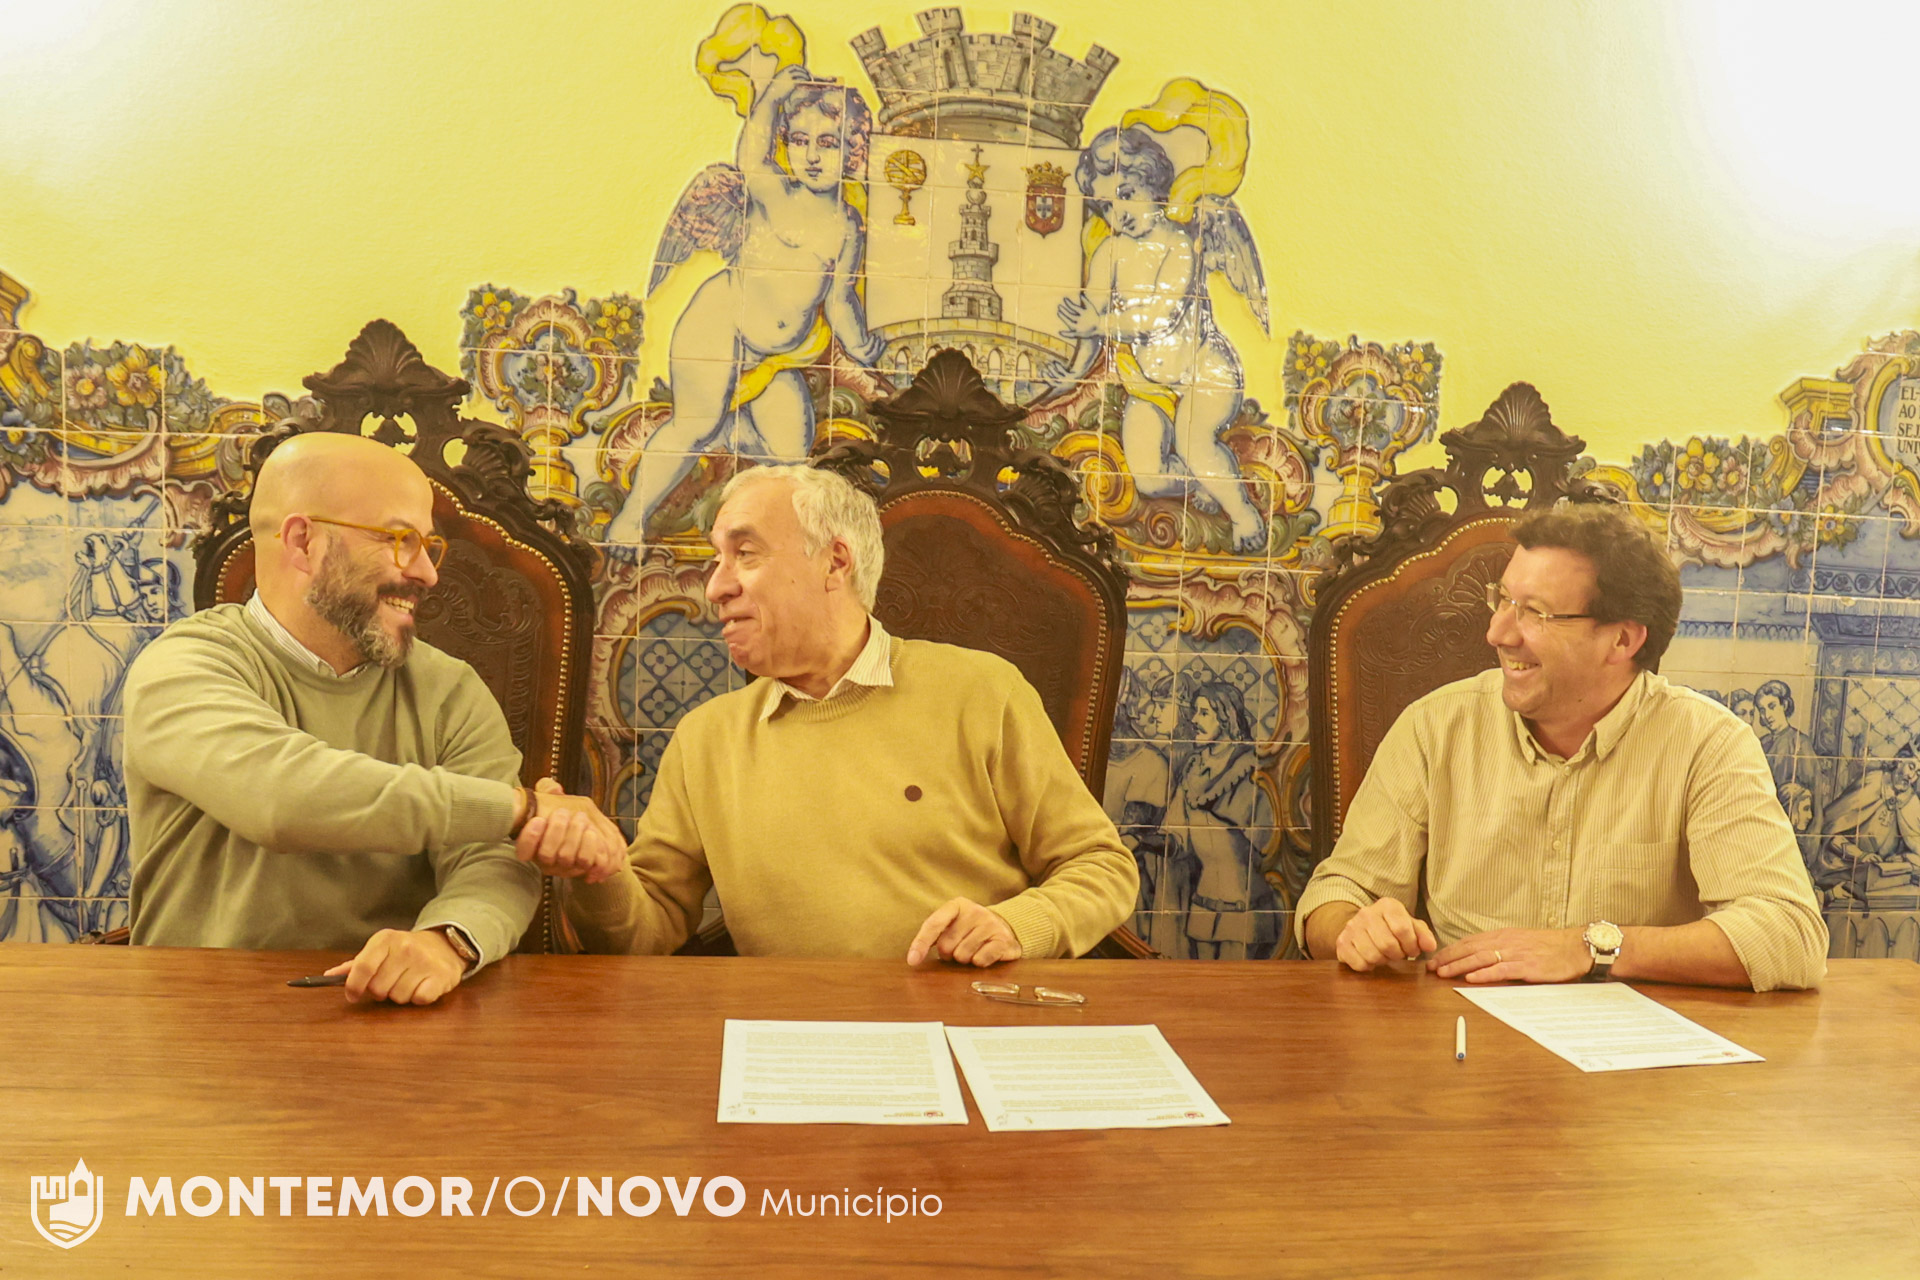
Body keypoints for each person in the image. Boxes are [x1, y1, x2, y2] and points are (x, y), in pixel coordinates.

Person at [531, 464, 1138, 963]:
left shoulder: (982, 692)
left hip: (965, 1023)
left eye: (745, 553)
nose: (715, 587)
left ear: (834, 562)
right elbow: (646, 936)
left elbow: (1101, 866)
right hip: (789, 1040)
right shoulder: (705, 739)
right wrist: (600, 873)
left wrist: (1018, 925)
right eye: (717, 559)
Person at [124, 432, 625, 1004]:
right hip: (196, 1017)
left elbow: (492, 860)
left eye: (428, 546)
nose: (428, 573)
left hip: (393, 1014)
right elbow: (283, 798)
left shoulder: (451, 690)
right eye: (399, 540)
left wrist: (447, 941)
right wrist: (520, 809)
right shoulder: (182, 667)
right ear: (303, 542)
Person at [1297, 502, 1827, 992]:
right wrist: (1354, 927)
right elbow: (1333, 896)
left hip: (1630, 1049)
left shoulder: (1708, 745)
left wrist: (1591, 947)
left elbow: (1790, 936)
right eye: (1503, 600)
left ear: (1623, 640)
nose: (1498, 632)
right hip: (1461, 1032)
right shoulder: (1434, 727)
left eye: (1535, 612)